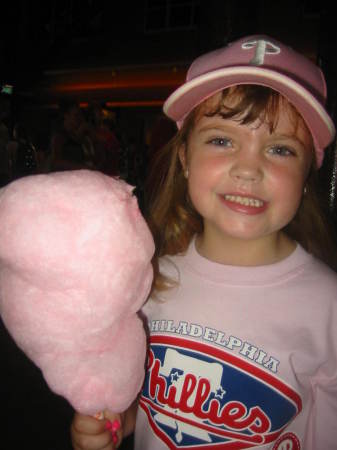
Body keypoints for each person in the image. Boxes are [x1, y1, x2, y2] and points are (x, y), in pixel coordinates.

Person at [70, 34, 337, 450]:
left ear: (307, 177)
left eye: (281, 149)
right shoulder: (149, 278)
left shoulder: (328, 305)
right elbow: (150, 403)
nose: (248, 169)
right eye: (221, 140)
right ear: (184, 159)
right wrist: (117, 423)